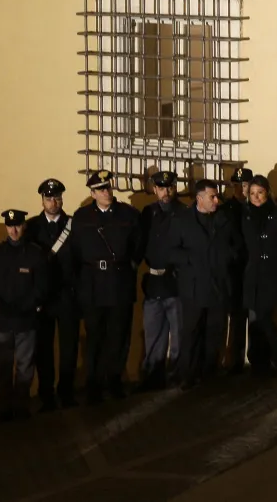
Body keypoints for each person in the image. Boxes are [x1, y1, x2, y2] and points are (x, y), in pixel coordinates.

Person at [67, 170, 143, 403]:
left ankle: (115, 381)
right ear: (92, 193)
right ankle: (94, 384)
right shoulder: (81, 217)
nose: (106, 192)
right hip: (92, 285)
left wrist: (129, 264)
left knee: (118, 336)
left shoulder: (128, 214)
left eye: (108, 187)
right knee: (94, 337)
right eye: (101, 189)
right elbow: (75, 251)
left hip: (119, 282)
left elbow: (138, 245)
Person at [170, 177, 245, 389]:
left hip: (218, 285)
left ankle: (209, 373)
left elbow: (236, 246)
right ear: (199, 198)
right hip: (193, 286)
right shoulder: (182, 220)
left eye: (217, 196)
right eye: (212, 196)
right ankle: (188, 374)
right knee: (192, 332)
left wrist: (227, 256)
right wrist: (191, 259)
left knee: (215, 331)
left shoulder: (224, 219)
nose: (216, 200)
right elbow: (171, 251)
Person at [0, 209, 48, 421]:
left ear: (24, 226)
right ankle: (3, 408)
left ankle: (21, 407)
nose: (14, 230)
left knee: (25, 367)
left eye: (18, 225)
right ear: (5, 228)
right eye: (10, 226)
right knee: (2, 367)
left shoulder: (35, 253)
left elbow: (42, 286)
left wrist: (27, 306)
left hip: (26, 320)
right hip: (2, 320)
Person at [28, 177, 79, 409]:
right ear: (42, 200)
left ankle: (66, 390)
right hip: (43, 298)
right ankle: (46, 392)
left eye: (57, 197)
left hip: (67, 294)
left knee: (69, 346)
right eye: (49, 198)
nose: (54, 202)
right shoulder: (31, 227)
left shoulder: (73, 225)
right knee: (43, 347)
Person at [242, 173, 277, 375]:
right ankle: (262, 362)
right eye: (252, 193)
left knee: (264, 316)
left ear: (268, 193)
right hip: (253, 275)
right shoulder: (245, 216)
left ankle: (276, 357)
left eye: (260, 193)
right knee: (257, 319)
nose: (256, 197)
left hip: (272, 275)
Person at [139, 168, 183, 391]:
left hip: (175, 282)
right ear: (154, 189)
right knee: (153, 335)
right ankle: (152, 378)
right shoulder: (148, 213)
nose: (166, 192)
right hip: (154, 282)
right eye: (162, 188)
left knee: (178, 338)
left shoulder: (183, 212)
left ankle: (176, 377)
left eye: (170, 187)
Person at [220, 169, 251, 374]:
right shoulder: (225, 209)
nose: (240, 189)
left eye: (244, 185)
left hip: (253, 268)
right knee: (235, 316)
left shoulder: (256, 206)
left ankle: (257, 358)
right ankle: (233, 360)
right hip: (233, 270)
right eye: (236, 185)